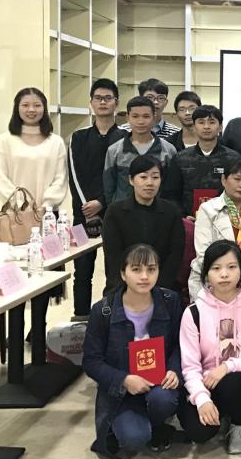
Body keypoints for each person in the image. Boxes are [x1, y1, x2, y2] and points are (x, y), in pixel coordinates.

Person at [81, 244, 182, 457]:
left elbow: (179, 345)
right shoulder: (103, 310)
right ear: (123, 273)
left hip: (158, 383)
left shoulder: (170, 301)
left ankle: (157, 424)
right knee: (134, 439)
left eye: (151, 269)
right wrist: (124, 380)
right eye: (136, 269)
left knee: (164, 399)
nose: (144, 276)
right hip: (122, 390)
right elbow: (91, 361)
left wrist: (174, 369)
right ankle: (125, 424)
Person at [178, 239, 241, 454]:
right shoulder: (194, 312)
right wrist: (202, 399)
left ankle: (239, 423)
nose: (224, 274)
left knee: (235, 383)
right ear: (206, 274)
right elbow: (190, 367)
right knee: (199, 431)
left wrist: (228, 366)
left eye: (231, 267)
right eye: (216, 268)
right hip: (207, 382)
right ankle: (220, 412)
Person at [68, 79, 125, 320]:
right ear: (91, 102)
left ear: (116, 103)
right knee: (82, 272)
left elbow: (122, 178)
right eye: (98, 98)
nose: (103, 102)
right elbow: (74, 176)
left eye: (108, 98)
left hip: (115, 214)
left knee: (115, 271)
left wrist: (102, 202)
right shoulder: (78, 137)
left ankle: (110, 319)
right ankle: (80, 321)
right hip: (83, 214)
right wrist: (88, 206)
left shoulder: (124, 138)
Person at [189, 158, 241, 300]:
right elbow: (204, 254)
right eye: (237, 179)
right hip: (212, 284)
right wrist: (229, 282)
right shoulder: (208, 210)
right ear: (223, 180)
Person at [102, 155, 185, 293]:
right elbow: (113, 257)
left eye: (155, 177)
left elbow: (175, 254)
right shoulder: (115, 212)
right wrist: (128, 288)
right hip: (124, 287)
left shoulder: (172, 212)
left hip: (162, 286)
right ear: (131, 180)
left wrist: (157, 288)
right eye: (143, 177)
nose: (150, 183)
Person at [0, 87, 69, 214]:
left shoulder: (56, 142)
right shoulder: (4, 140)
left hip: (47, 213)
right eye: (25, 105)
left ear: (44, 108)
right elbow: (0, 179)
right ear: (17, 108)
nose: (31, 110)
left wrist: (46, 205)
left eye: (37, 105)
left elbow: (60, 179)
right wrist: (22, 204)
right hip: (13, 213)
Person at [164, 105, 241, 216]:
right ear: (194, 127)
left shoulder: (234, 159)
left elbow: (239, 192)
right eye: (201, 122)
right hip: (188, 221)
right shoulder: (180, 158)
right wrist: (183, 217)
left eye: (212, 122)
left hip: (224, 219)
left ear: (220, 127)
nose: (206, 127)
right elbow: (171, 195)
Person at [103, 96, 177, 204]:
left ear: (154, 117)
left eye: (146, 116)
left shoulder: (168, 150)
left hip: (158, 211)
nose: (140, 121)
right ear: (127, 118)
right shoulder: (114, 150)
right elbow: (108, 187)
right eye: (135, 116)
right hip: (123, 211)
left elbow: (171, 187)